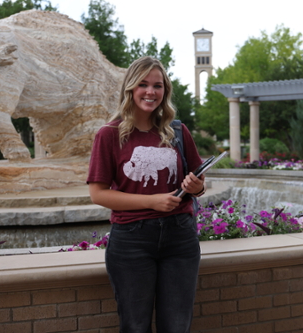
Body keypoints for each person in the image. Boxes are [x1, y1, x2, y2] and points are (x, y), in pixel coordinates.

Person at [87, 56, 205, 333]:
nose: (151, 92)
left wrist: (196, 187)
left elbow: (199, 183)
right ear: (130, 88)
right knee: (135, 326)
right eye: (143, 84)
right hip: (132, 241)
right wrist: (152, 201)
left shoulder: (177, 131)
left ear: (165, 91)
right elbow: (98, 194)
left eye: (158, 85)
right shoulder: (109, 135)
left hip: (180, 238)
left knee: (177, 326)